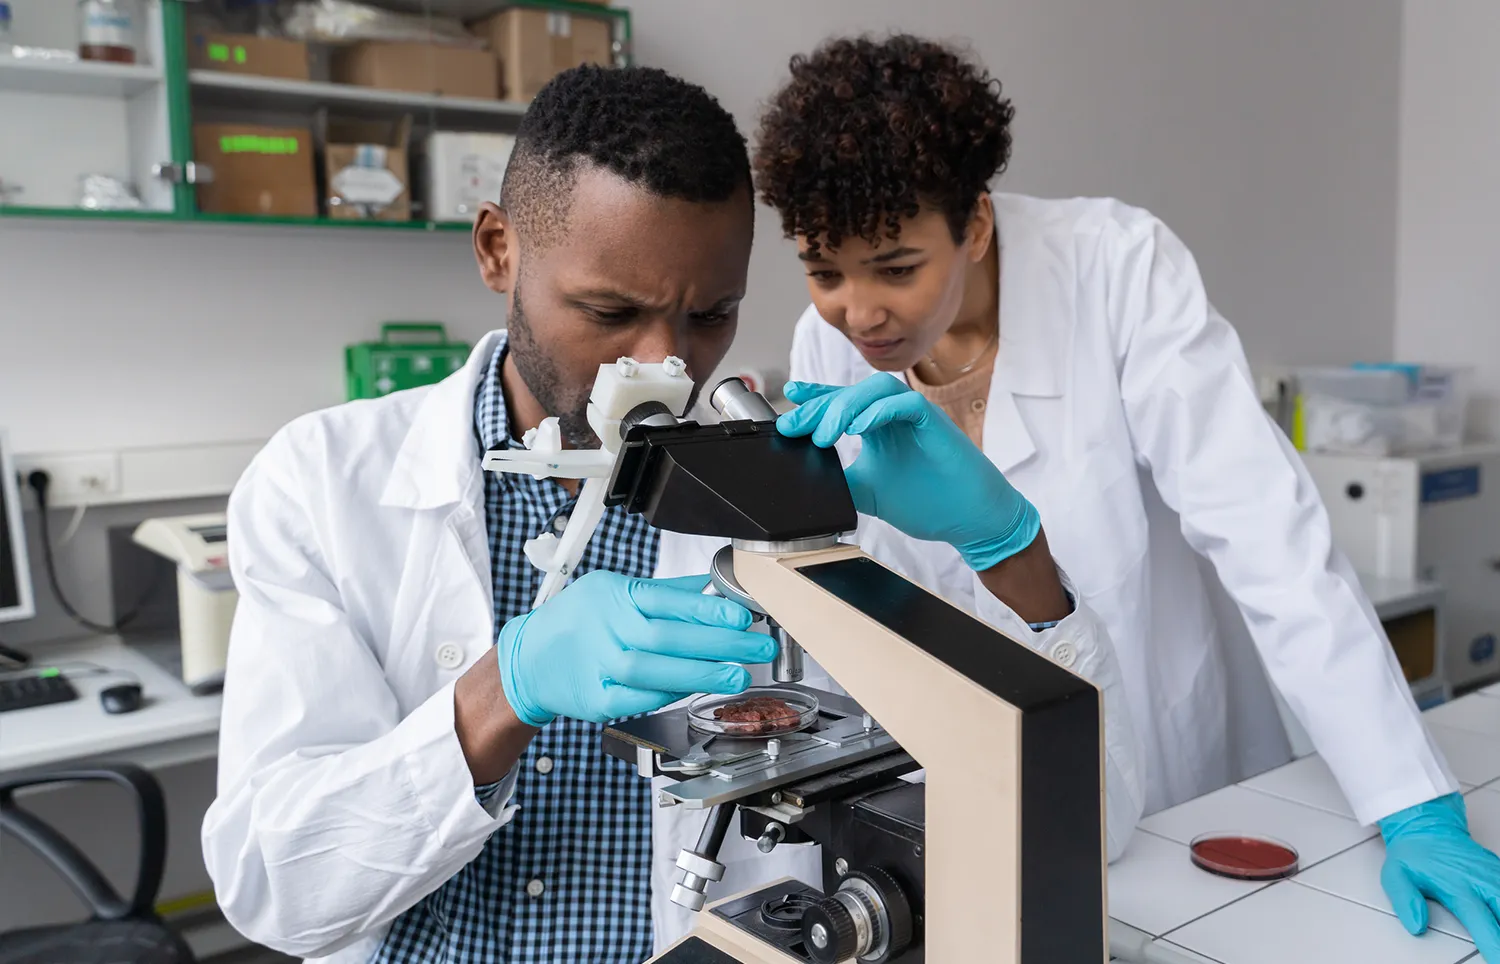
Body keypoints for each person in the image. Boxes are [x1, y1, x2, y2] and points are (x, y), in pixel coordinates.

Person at [203, 63, 1141, 964]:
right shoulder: (323, 481)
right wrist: (502, 694)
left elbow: (1096, 818)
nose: (662, 365)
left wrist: (1008, 548)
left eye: (709, 316)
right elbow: (275, 894)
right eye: (610, 312)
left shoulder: (801, 484)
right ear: (498, 249)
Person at [736, 32, 1500, 958]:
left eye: (897, 267)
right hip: (982, 783)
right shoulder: (828, 355)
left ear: (974, 223)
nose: (859, 312)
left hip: (1184, 766)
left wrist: (1412, 802)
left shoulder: (1116, 268)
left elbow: (1267, 535)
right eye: (823, 271)